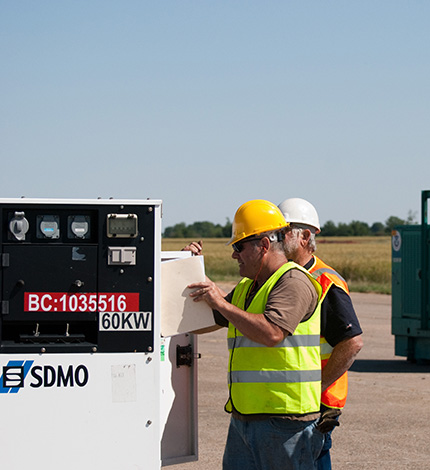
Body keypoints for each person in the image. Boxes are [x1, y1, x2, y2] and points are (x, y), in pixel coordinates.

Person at [188, 199, 325, 470]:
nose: (234, 255)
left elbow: (273, 332)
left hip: (285, 422)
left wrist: (222, 303)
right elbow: (201, 322)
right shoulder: (246, 288)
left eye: (239, 247)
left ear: (264, 245)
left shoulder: (293, 281)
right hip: (245, 418)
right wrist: (185, 267)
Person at [277, 198, 363, 470]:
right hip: (292, 400)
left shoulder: (325, 281)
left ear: (305, 237)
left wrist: (318, 386)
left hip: (316, 404)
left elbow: (352, 342)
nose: (276, 239)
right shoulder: (281, 276)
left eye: (283, 232)